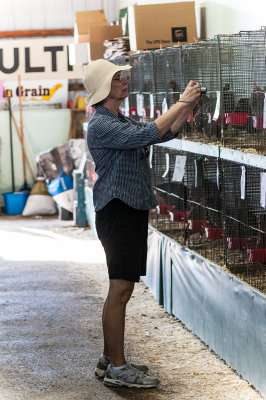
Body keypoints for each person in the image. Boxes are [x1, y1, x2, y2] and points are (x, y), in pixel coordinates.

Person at [83, 59, 201, 389]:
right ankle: (119, 369)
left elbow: (161, 135)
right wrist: (181, 103)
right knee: (120, 289)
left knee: (122, 288)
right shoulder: (102, 125)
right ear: (105, 87)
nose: (123, 81)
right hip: (117, 210)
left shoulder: (119, 119)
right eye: (117, 78)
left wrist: (186, 109)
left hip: (128, 208)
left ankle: (110, 359)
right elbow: (151, 132)